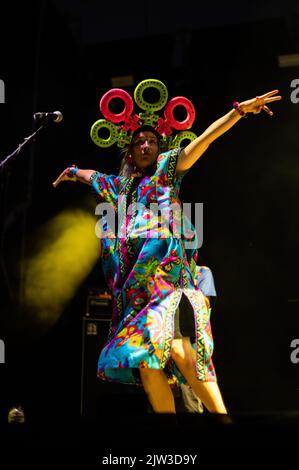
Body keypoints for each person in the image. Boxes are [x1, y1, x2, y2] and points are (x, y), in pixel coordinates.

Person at [53, 83, 281, 415]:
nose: (146, 145)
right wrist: (73, 171)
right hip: (137, 294)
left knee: (181, 353)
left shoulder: (167, 169)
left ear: (160, 148)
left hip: (168, 284)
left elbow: (204, 140)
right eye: (140, 142)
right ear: (131, 152)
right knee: (147, 365)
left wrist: (239, 111)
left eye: (152, 141)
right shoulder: (121, 186)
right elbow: (94, 176)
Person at [173, 265, 216, 413]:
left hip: (189, 345)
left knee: (190, 405)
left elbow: (203, 307)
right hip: (163, 343)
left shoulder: (202, 272)